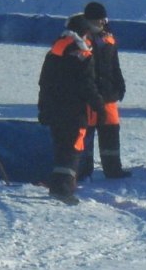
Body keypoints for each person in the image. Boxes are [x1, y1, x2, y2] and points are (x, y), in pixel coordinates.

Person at [37, 14, 106, 203]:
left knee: (61, 148)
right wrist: (99, 105)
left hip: (53, 107)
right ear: (84, 32)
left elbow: (44, 82)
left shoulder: (56, 49)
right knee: (72, 150)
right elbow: (86, 84)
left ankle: (57, 186)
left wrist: (43, 108)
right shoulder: (81, 53)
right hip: (74, 111)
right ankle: (64, 190)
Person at [80, 2, 131, 180]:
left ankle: (113, 169)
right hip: (89, 96)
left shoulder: (109, 38)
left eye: (102, 19)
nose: (101, 22)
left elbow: (114, 65)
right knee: (85, 135)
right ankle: (83, 170)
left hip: (109, 95)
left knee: (110, 134)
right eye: (97, 20)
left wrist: (120, 84)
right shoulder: (81, 40)